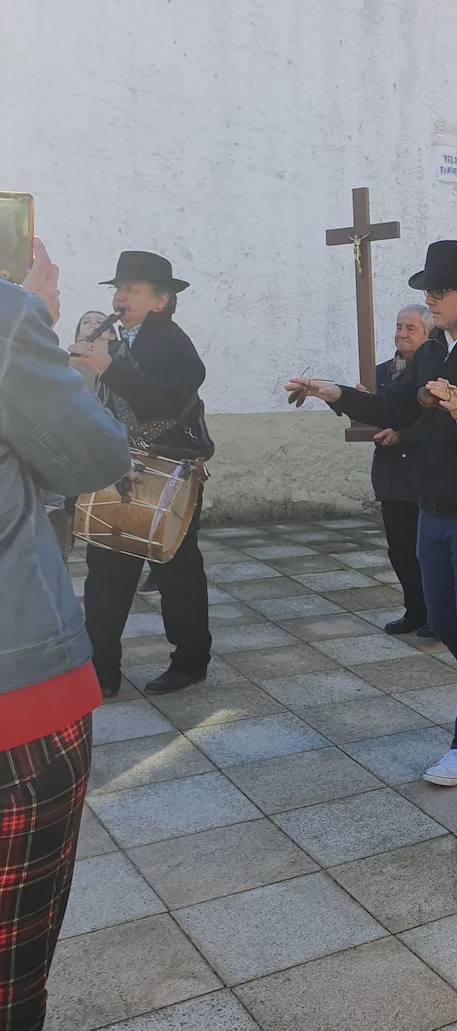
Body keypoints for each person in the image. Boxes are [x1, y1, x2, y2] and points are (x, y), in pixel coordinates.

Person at [287, 241, 457, 787]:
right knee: (442, 620)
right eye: (427, 289)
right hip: (433, 505)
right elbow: (395, 406)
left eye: (439, 290)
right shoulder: (431, 352)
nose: (430, 298)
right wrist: (334, 393)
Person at [1, 244, 132, 1031]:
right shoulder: (9, 319)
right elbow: (92, 452)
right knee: (11, 986)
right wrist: (33, 321)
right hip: (17, 699)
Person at [69, 251, 213, 698]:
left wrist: (107, 367)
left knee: (176, 573)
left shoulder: (172, 342)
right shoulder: (117, 339)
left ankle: (191, 661)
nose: (119, 297)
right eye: (118, 289)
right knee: (105, 575)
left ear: (161, 300)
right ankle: (102, 672)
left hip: (167, 473)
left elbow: (166, 402)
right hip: (120, 469)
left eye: (130, 290)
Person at [373, 304, 436, 637]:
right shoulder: (381, 372)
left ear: (428, 334)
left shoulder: (435, 373)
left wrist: (402, 435)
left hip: (424, 474)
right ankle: (414, 610)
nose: (401, 333)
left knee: (427, 550)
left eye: (410, 328)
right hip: (391, 476)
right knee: (399, 549)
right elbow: (375, 413)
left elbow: (432, 421)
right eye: (399, 326)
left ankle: (437, 616)